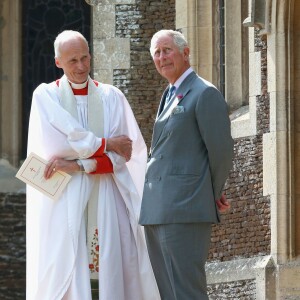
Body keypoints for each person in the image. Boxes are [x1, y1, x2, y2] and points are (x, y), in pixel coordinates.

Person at [26, 30, 160, 300]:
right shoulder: (46, 98)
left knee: (110, 274)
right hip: (64, 202)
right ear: (58, 62)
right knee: (67, 274)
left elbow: (125, 154)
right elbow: (59, 148)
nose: (81, 67)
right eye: (73, 60)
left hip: (107, 200)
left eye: (85, 58)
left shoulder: (112, 97)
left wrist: (77, 165)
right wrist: (107, 144)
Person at [139, 29, 234, 299]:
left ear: (186, 52)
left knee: (187, 292)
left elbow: (221, 151)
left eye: (167, 50)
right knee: (169, 293)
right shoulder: (170, 94)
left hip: (185, 209)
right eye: (157, 53)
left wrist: (211, 194)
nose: (162, 57)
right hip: (157, 209)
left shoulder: (204, 93)